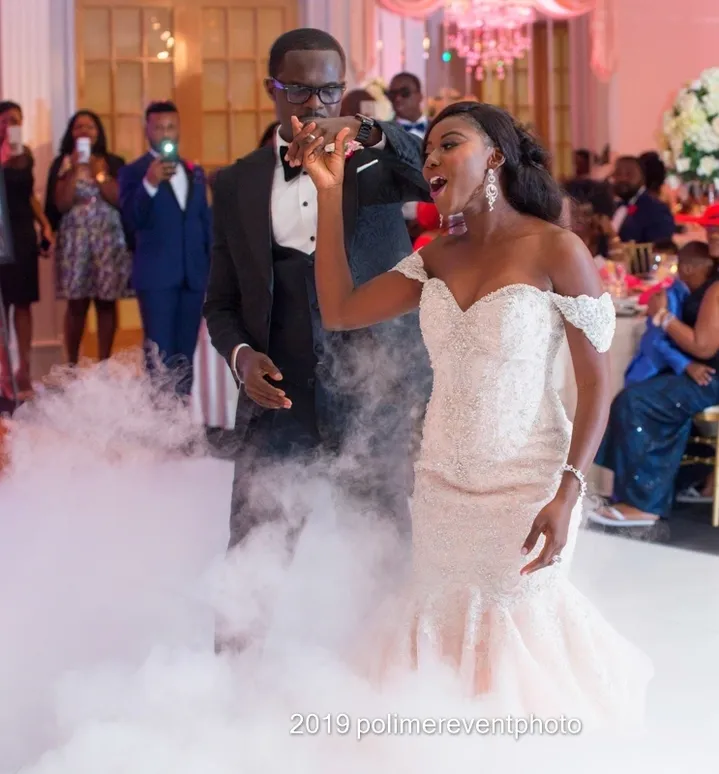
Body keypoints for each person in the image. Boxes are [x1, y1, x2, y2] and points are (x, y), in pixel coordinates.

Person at [288, 100, 651, 721]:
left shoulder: (557, 250)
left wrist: (568, 492)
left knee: (513, 641)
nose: (433, 158)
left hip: (527, 485)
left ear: (496, 157)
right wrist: (328, 191)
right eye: (427, 151)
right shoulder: (435, 255)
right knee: (442, 634)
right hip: (441, 487)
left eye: (449, 144)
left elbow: (594, 385)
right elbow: (342, 309)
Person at [203, 28, 432, 615]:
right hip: (279, 397)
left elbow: (429, 164)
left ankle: (391, 684)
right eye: (301, 90)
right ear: (272, 89)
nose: (316, 105)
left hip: (373, 393)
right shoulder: (236, 183)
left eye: (330, 91)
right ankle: (233, 688)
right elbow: (222, 302)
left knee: (384, 549)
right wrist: (241, 357)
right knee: (254, 549)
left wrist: (370, 129)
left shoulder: (380, 166)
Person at [594, 240, 719, 526]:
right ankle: (686, 481)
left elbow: (703, 347)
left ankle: (643, 504)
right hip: (702, 375)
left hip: (711, 379)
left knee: (636, 402)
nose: (712, 234)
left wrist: (664, 317)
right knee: (642, 393)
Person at [119, 101, 212, 396]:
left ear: (179, 128)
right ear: (147, 130)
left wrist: (213, 268)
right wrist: (149, 183)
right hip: (157, 276)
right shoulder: (133, 172)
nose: (165, 133)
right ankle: (159, 429)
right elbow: (131, 220)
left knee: (187, 356)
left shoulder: (194, 170)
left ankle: (184, 428)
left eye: (171, 126)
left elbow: (203, 221)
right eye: (158, 127)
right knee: (160, 357)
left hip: (194, 276)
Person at [45, 111, 131, 365]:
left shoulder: (113, 162)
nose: (84, 131)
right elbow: (60, 203)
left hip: (108, 239)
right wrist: (73, 170)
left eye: (90, 127)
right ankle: (71, 363)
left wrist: (99, 174)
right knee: (76, 303)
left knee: (106, 301)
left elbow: (119, 200)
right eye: (78, 127)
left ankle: (104, 362)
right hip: (75, 241)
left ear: (98, 132)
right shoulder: (63, 162)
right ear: (71, 133)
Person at [0, 100, 53, 398]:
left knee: (22, 304)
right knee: (1, 306)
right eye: (5, 120)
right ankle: (3, 373)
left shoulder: (27, 154)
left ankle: (25, 371)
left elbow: (29, 195)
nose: (10, 126)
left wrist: (44, 224)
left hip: (21, 234)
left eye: (15, 120)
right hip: (0, 233)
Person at [622, 242, 713, 387]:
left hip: (669, 371)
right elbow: (656, 340)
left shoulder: (690, 297)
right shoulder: (669, 298)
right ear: (688, 269)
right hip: (650, 372)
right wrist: (686, 364)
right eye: (707, 274)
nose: (709, 281)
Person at [611, 155, 676, 245]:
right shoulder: (611, 207)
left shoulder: (657, 210)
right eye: (618, 174)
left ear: (642, 177)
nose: (622, 179)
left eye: (629, 174)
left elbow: (660, 249)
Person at [387, 72, 427, 139]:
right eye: (393, 94)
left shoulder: (437, 126)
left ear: (420, 96)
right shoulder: (385, 131)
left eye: (405, 92)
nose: (398, 98)